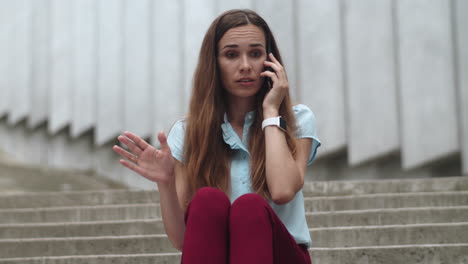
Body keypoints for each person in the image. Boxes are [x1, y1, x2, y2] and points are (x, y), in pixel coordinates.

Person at [112, 9, 320, 264]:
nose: (245, 66)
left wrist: (271, 112)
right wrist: (165, 183)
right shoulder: (188, 133)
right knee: (207, 201)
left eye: (255, 54)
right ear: (214, 63)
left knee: (250, 208)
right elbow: (182, 241)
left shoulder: (296, 118)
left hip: (282, 256)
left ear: (270, 61)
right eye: (231, 55)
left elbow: (282, 190)